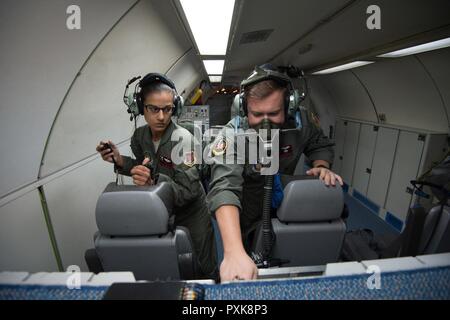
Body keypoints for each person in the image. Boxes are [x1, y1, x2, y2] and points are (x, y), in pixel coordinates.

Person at [206, 65, 343, 282]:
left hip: (285, 205)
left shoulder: (301, 124)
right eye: (257, 114)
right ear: (243, 109)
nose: (266, 121)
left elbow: (319, 144)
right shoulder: (232, 135)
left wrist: (321, 165)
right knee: (248, 258)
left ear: (289, 107)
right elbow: (224, 187)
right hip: (247, 209)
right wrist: (233, 251)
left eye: (274, 113)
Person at [96, 73, 217, 279]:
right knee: (171, 267)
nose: (161, 117)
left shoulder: (184, 140)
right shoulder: (139, 137)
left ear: (175, 108)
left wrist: (154, 183)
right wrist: (119, 161)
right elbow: (144, 165)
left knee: (202, 268)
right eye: (154, 109)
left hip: (191, 215)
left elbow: (188, 191)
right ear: (140, 108)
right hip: (162, 212)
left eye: (167, 109)